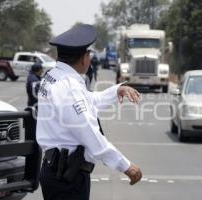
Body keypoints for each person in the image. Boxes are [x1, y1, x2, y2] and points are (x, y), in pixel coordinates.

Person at [36, 24, 142, 200]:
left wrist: (116, 91)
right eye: (89, 54)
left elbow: (88, 103)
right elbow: (89, 131)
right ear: (84, 58)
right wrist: (126, 166)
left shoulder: (54, 76)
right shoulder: (69, 87)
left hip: (57, 172)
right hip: (67, 179)